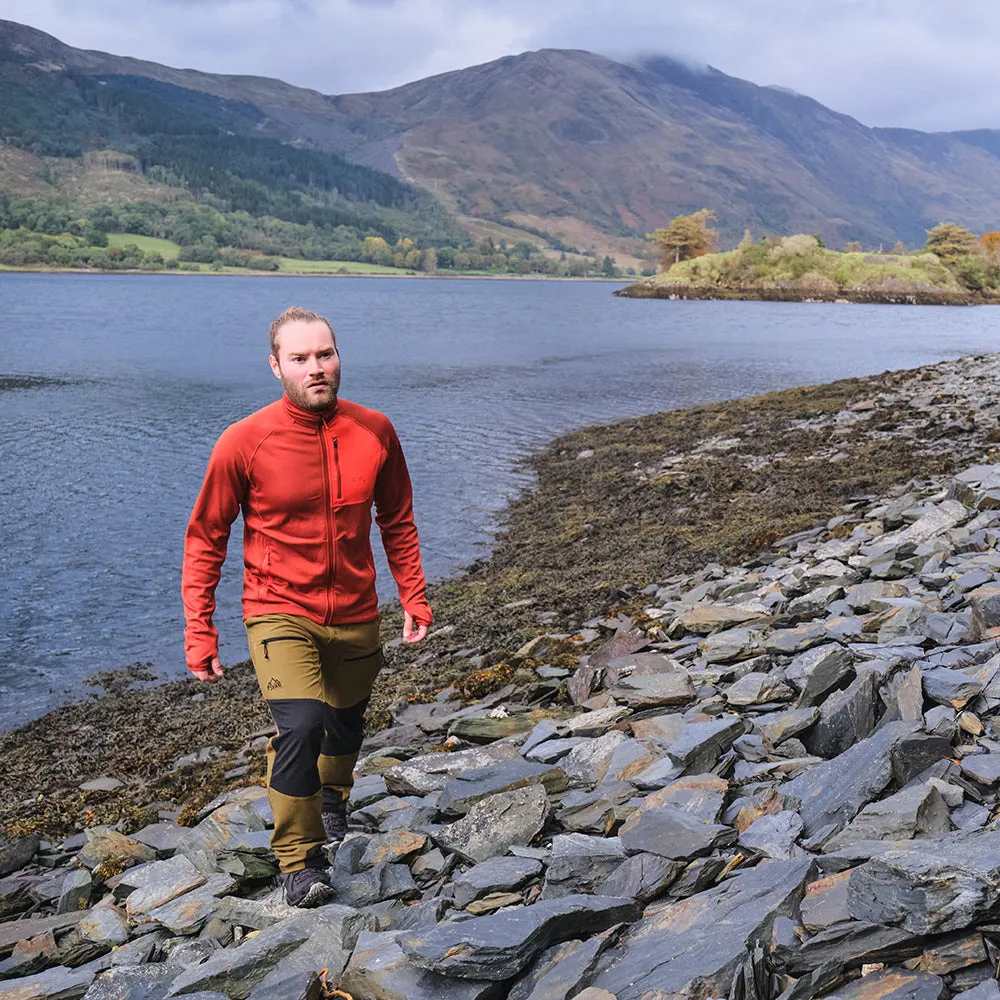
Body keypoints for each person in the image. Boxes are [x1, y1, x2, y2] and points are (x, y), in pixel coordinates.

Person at [182, 306, 432, 907]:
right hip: (277, 608)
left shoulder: (375, 430)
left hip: (356, 608)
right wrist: (200, 629)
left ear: (338, 356)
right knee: (300, 725)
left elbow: (395, 517)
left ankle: (332, 797)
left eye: (325, 354)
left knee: (345, 720)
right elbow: (206, 535)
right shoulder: (243, 442)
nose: (315, 368)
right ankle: (300, 860)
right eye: (300, 358)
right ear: (276, 366)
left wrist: (413, 593)